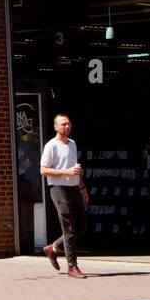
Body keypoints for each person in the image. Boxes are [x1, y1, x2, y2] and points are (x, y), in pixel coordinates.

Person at [40, 113, 89, 278]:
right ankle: (72, 266)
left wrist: (83, 188)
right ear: (55, 127)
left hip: (73, 187)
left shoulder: (72, 144)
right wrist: (65, 172)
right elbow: (43, 170)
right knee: (68, 227)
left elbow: (75, 167)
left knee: (81, 227)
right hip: (58, 188)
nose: (67, 127)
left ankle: (52, 248)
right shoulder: (51, 146)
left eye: (68, 124)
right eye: (63, 124)